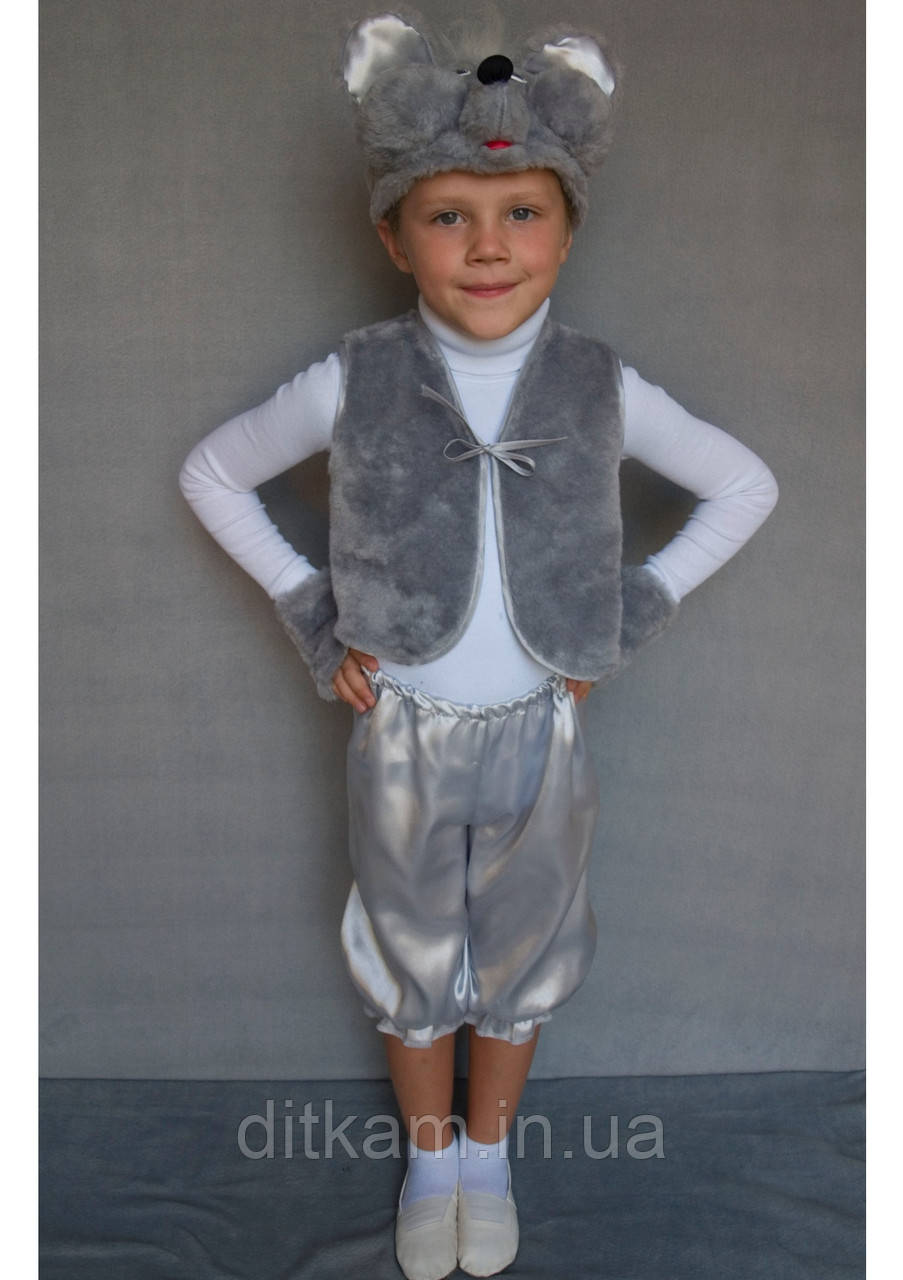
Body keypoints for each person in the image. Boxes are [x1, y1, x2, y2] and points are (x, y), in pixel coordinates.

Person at [180, 14, 779, 1280]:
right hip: (400, 727)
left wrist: (628, 609)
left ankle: (490, 1157)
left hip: (539, 733)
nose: (489, 245)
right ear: (395, 236)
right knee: (409, 949)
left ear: (566, 229)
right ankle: (431, 1158)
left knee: (523, 945)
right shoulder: (355, 377)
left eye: (522, 213)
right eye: (450, 215)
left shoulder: (601, 384)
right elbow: (214, 473)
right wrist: (312, 611)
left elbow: (744, 485)